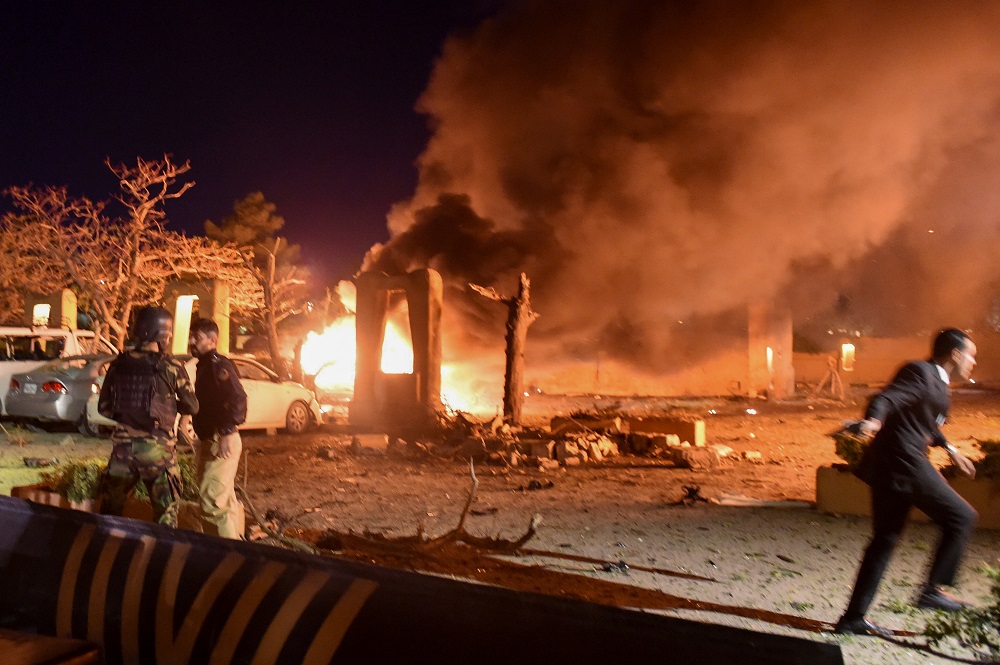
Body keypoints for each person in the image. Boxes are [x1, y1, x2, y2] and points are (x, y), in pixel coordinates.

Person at [834, 328, 979, 637]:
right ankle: (931, 591)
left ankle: (853, 618)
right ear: (955, 354)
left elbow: (924, 420)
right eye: (971, 355)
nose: (973, 362)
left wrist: (950, 449)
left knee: (885, 540)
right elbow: (887, 398)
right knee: (963, 516)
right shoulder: (921, 372)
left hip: (891, 466)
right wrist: (874, 420)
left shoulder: (938, 381)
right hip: (905, 461)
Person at [97, 306, 198, 524]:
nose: (170, 337)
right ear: (161, 334)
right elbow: (192, 405)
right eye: (169, 333)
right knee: (166, 516)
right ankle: (160, 557)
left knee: (108, 514)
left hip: (122, 453)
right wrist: (168, 405)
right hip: (157, 453)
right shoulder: (171, 366)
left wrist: (130, 413)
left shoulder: (118, 364)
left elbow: (103, 408)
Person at [189, 317, 248, 539]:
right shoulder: (205, 365)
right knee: (224, 500)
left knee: (212, 502)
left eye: (198, 337)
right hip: (212, 438)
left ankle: (224, 556)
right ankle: (236, 551)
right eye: (191, 336)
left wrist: (225, 431)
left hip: (219, 439)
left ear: (212, 340)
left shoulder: (216, 364)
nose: (192, 341)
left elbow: (238, 398)